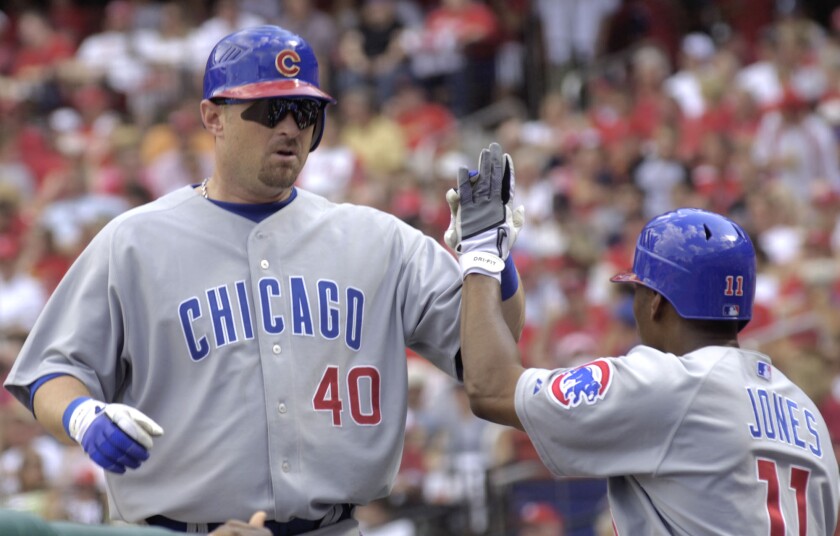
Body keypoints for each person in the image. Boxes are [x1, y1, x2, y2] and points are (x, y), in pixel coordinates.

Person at [3, 25, 525, 536]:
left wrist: (489, 263)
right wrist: (82, 415)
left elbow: (489, 355)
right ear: (213, 117)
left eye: (305, 111)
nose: (291, 127)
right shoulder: (134, 241)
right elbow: (52, 369)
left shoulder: (379, 240)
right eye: (271, 109)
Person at [446, 155, 840, 534]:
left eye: (636, 291)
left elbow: (490, 388)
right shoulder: (807, 414)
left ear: (657, 303)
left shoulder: (663, 383)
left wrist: (482, 254)